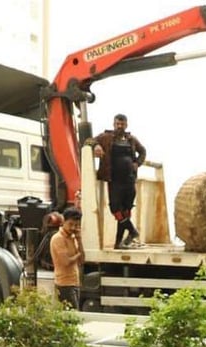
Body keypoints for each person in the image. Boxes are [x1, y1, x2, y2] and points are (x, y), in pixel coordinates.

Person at [91, 113, 146, 249]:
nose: (120, 126)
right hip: (114, 179)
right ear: (114, 124)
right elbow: (89, 141)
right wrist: (96, 146)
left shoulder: (131, 139)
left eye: (122, 124)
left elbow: (143, 151)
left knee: (125, 210)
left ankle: (118, 243)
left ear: (126, 125)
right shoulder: (106, 137)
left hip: (129, 179)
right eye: (117, 124)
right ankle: (133, 231)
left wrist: (137, 163)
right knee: (115, 208)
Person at [49, 207, 84, 310]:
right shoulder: (58, 238)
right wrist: (79, 254)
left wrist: (79, 239)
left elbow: (82, 260)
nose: (73, 228)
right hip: (64, 284)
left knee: (74, 314)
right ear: (64, 221)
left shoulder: (73, 237)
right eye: (71, 224)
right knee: (72, 315)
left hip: (74, 282)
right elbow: (66, 262)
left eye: (76, 225)